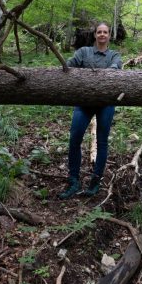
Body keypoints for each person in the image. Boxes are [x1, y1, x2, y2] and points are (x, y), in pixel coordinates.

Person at [58, 22, 121, 199]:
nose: (102, 35)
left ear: (109, 35)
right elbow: (68, 67)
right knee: (74, 139)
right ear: (95, 35)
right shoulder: (83, 52)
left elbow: (116, 69)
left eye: (105, 32)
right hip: (83, 103)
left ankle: (95, 182)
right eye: (99, 32)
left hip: (106, 104)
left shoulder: (114, 55)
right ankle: (73, 181)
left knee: (102, 142)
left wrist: (103, 75)